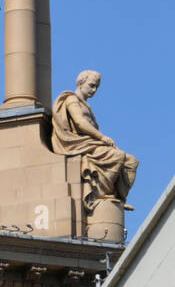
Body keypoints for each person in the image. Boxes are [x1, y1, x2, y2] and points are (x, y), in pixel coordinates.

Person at [51, 70, 138, 206]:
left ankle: (119, 197)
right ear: (81, 83)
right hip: (78, 144)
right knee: (118, 155)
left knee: (131, 161)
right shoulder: (72, 99)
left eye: (96, 87)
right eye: (91, 85)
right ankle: (101, 193)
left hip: (91, 143)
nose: (94, 90)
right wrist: (102, 137)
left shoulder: (86, 105)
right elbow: (80, 122)